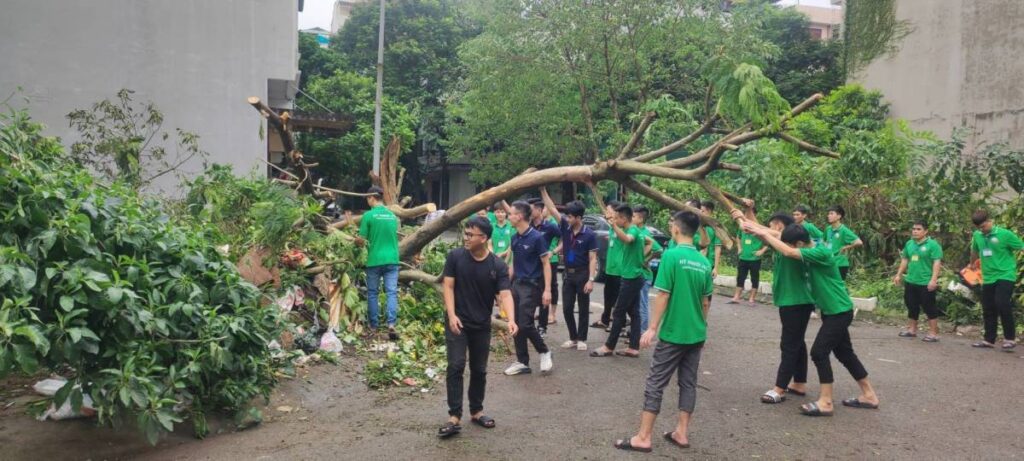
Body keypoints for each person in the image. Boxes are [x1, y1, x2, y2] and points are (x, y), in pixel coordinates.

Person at [740, 219, 879, 416]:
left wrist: (762, 234)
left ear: (799, 244)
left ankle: (826, 402)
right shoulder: (809, 243)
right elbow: (781, 238)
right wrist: (755, 228)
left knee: (819, 352)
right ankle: (869, 395)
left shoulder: (820, 252)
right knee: (845, 353)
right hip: (833, 311)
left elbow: (787, 251)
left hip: (839, 312)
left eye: (791, 244)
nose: (787, 247)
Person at [613, 211, 712, 453]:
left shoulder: (672, 255)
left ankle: (643, 437)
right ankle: (681, 432)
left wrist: (652, 328)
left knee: (656, 382)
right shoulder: (703, 261)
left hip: (673, 333)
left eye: (671, 225)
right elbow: (706, 301)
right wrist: (701, 326)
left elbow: (664, 294)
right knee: (688, 383)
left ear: (677, 229)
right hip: (696, 334)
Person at [438, 217, 519, 439]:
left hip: (481, 324)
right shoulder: (455, 257)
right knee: (455, 365)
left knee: (479, 369)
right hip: (458, 322)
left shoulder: (497, 265)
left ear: (483, 238)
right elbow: (448, 285)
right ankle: (454, 416)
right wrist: (452, 315)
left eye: (470, 234)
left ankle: (476, 411)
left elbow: (504, 294)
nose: (466, 238)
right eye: (465, 233)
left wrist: (511, 319)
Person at [731, 209, 814, 404]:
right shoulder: (782, 239)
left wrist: (745, 220)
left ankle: (779, 388)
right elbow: (759, 230)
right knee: (797, 342)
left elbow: (765, 233)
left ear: (779, 226)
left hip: (796, 301)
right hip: (793, 300)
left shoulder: (790, 243)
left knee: (789, 344)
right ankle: (799, 383)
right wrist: (745, 216)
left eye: (771, 225)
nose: (769, 228)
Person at [541, 189, 598, 350]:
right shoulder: (565, 228)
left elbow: (593, 258)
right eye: (566, 216)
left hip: (582, 273)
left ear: (579, 218)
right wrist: (543, 190)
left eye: (570, 216)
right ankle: (573, 337)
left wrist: (591, 279)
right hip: (568, 274)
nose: (567, 218)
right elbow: (552, 209)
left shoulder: (589, 235)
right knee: (566, 308)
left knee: (583, 308)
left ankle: (581, 339)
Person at [504, 201, 554, 375]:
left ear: (519, 216)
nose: (508, 216)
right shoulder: (514, 237)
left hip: (532, 285)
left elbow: (546, 264)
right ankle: (522, 361)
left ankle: (544, 351)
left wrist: (547, 290)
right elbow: (513, 264)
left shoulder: (537, 237)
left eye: (511, 213)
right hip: (516, 284)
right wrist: (505, 285)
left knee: (525, 323)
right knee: (515, 323)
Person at [591, 203, 645, 358]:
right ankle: (633, 347)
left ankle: (609, 346)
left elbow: (628, 239)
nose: (614, 220)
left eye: (616, 218)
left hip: (631, 278)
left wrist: (614, 226)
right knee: (634, 313)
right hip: (632, 276)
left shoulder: (633, 230)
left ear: (623, 219)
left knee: (619, 312)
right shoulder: (631, 229)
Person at [969, 210, 1024, 352]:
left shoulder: (1005, 234)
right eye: (979, 228)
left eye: (984, 226)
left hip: (1005, 275)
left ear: (990, 220)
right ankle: (989, 340)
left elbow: (1021, 246)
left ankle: (1009, 339)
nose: (982, 230)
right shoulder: (977, 235)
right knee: (988, 307)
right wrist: (972, 263)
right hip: (987, 276)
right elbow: (974, 250)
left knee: (1002, 303)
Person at [356, 186, 401, 340]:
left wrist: (355, 239)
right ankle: (391, 324)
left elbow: (361, 242)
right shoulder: (392, 215)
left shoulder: (368, 216)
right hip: (392, 259)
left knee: (373, 293)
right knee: (391, 292)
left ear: (371, 198)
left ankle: (374, 326)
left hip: (374, 260)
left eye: (367, 198)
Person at [893, 220, 944, 342]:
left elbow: (937, 263)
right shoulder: (909, 244)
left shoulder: (933, 245)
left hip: (925, 282)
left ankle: (933, 333)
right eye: (914, 229)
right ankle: (912, 330)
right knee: (911, 305)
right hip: (911, 280)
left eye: (918, 229)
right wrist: (898, 275)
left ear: (926, 231)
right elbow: (905, 260)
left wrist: (933, 280)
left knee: (929, 307)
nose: (915, 231)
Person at [529, 199, 561, 336]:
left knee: (545, 294)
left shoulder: (550, 226)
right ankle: (528, 325)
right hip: (530, 266)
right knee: (529, 295)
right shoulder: (527, 225)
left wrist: (553, 251)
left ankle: (542, 327)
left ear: (539, 210)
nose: (528, 212)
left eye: (531, 209)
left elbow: (564, 238)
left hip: (545, 265)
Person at [594, 201, 623, 330]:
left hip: (620, 269)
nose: (606, 212)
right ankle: (605, 320)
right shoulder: (612, 226)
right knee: (608, 296)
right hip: (610, 268)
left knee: (618, 300)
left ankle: (619, 324)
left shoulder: (622, 227)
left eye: (609, 210)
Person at [633, 206, 661, 331]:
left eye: (633, 216)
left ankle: (642, 331)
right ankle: (635, 330)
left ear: (640, 218)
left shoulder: (645, 233)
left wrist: (646, 260)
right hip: (635, 274)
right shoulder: (634, 230)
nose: (631, 218)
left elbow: (659, 249)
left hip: (644, 275)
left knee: (642, 304)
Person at [729, 215, 767, 306]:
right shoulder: (742, 227)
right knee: (740, 277)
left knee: (754, 278)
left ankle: (751, 299)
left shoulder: (759, 228)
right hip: (743, 257)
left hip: (755, 258)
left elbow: (768, 241)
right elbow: (738, 238)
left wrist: (762, 251)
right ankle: (736, 297)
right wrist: (739, 248)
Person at [823, 205, 862, 280]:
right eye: (828, 214)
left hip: (840, 263)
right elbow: (824, 241)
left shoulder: (844, 230)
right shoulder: (828, 229)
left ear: (839, 216)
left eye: (831, 213)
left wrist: (846, 247)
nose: (828, 216)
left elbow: (859, 242)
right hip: (829, 262)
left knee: (838, 287)